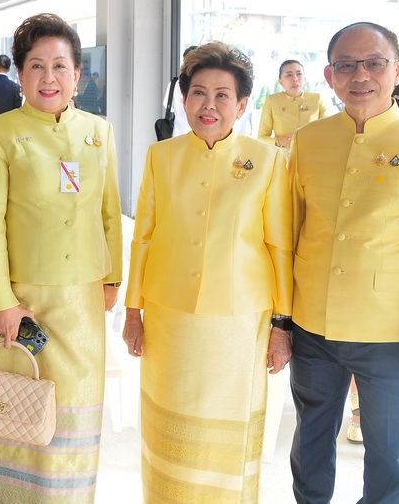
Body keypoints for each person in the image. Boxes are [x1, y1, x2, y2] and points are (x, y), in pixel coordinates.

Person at [288, 22, 399, 504]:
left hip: (391, 332)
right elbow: (290, 232)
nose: (360, 75)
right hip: (312, 323)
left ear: (398, 70)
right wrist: (282, 319)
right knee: (309, 441)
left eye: (374, 63)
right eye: (346, 65)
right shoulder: (309, 140)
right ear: (330, 75)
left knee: (388, 454)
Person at [123, 41, 292, 502]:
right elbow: (144, 237)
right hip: (169, 317)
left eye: (222, 95)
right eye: (198, 93)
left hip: (240, 322)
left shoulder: (267, 160)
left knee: (228, 429)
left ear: (242, 104)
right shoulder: (161, 156)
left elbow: (279, 246)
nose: (209, 105)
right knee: (169, 420)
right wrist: (133, 312)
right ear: (184, 100)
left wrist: (281, 325)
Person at [0, 13, 122, 503]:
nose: (49, 77)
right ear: (20, 73)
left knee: (77, 417)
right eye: (36, 65)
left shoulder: (99, 132)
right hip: (25, 303)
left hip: (83, 301)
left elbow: (109, 212)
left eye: (60, 66)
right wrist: (2, 301)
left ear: (77, 73)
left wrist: (112, 280)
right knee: (23, 411)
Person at [258, 59, 329, 148]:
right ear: (280, 81)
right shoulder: (272, 101)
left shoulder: (317, 99)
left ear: (305, 78)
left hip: (313, 152)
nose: (295, 79)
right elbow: (261, 138)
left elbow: (328, 132)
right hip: (284, 154)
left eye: (299, 74)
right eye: (289, 75)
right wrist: (280, 141)